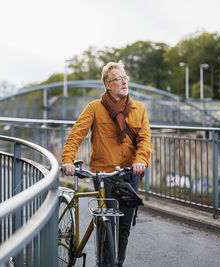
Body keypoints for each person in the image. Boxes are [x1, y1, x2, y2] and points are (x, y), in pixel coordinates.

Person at [61, 61, 153, 267]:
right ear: (107, 85)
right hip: (104, 176)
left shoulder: (139, 109)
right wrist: (68, 160)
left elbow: (145, 140)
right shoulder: (94, 108)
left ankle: (117, 263)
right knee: (107, 225)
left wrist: (140, 161)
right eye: (118, 79)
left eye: (125, 78)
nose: (123, 82)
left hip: (130, 174)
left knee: (124, 227)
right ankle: (106, 264)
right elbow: (76, 135)